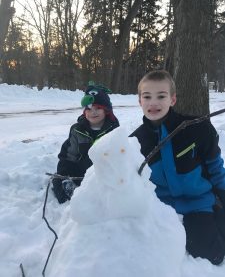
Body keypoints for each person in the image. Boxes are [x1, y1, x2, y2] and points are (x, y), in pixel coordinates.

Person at [130, 69, 225, 265]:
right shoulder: (135, 142)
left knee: (211, 256)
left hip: (198, 202)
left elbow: (215, 166)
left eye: (161, 96)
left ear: (172, 100)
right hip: (162, 208)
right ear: (140, 101)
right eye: (147, 96)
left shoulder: (197, 129)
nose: (153, 102)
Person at [52, 83, 119, 204]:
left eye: (97, 108)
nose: (93, 112)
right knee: (58, 180)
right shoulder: (77, 130)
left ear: (106, 110)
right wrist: (64, 174)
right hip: (80, 173)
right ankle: (73, 193)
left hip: (104, 174)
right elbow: (69, 156)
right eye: (88, 109)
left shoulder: (113, 130)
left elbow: (120, 156)